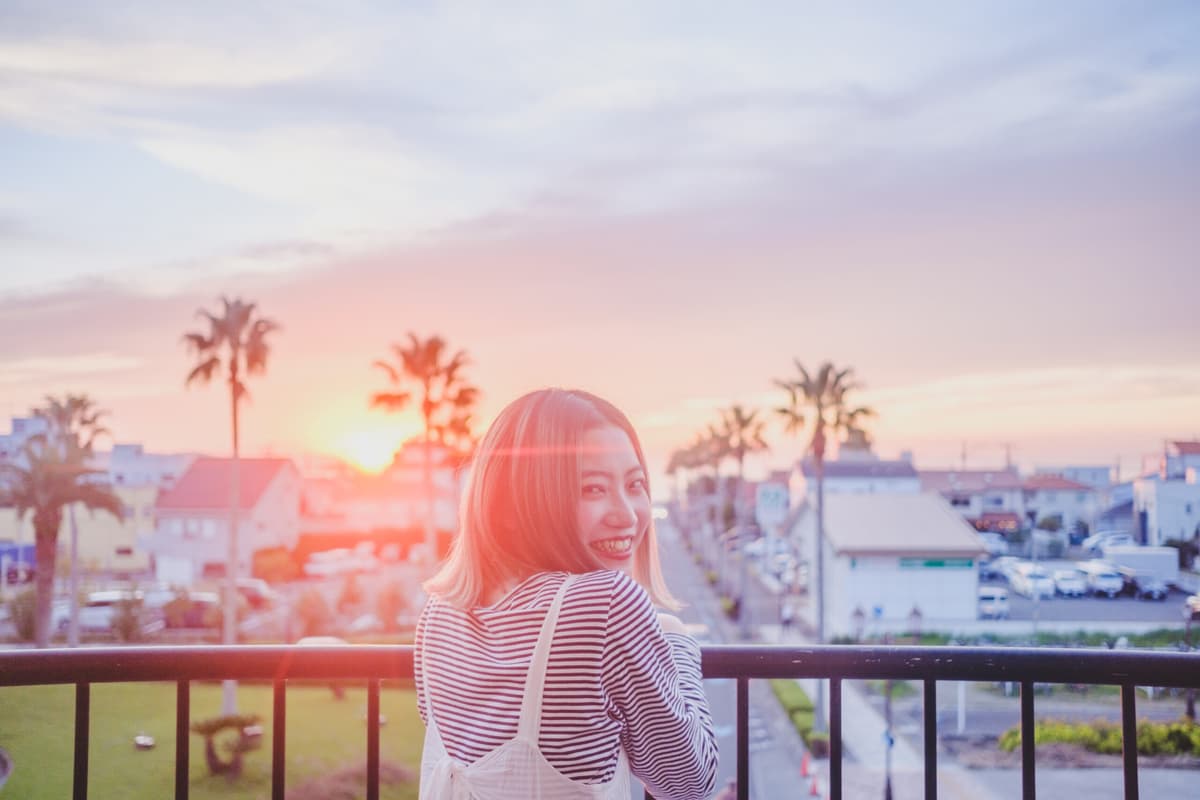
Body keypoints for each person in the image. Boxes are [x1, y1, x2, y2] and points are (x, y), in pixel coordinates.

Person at [415, 388, 719, 799]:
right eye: (593, 489)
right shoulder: (607, 605)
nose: (627, 515)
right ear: (516, 504)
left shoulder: (439, 613)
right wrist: (675, 640)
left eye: (635, 484)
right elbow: (688, 782)